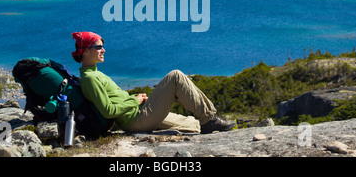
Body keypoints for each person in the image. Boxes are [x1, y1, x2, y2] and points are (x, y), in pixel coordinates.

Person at [71, 31, 237, 134]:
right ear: (86, 51)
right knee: (176, 76)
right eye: (99, 47)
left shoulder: (93, 74)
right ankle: (209, 119)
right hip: (136, 120)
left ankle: (207, 123)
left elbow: (113, 101)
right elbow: (108, 110)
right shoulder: (90, 78)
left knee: (193, 125)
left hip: (138, 113)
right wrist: (133, 100)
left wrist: (136, 98)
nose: (103, 50)